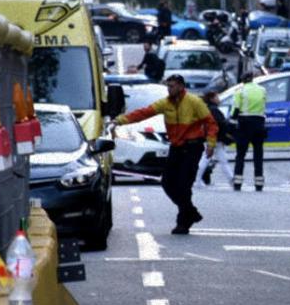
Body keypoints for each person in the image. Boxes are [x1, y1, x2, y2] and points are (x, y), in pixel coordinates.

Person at [114, 74, 218, 234]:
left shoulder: (194, 102)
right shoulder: (165, 103)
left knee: (184, 185)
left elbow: (210, 123)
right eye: (168, 86)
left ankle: (183, 223)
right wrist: (120, 120)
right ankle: (191, 211)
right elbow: (144, 113)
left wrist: (210, 144)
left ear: (181, 87)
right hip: (176, 147)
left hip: (192, 147)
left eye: (173, 86)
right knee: (167, 183)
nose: (169, 89)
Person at [232, 72, 267, 191]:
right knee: (258, 154)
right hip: (259, 123)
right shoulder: (262, 90)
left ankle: (237, 182)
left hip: (244, 123)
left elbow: (235, 110)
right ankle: (259, 182)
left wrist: (232, 122)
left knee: (240, 154)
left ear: (242, 80)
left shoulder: (240, 91)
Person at [195, 91, 234, 189]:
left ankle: (231, 179)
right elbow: (220, 124)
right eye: (217, 97)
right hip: (215, 138)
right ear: (212, 99)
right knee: (207, 159)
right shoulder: (214, 110)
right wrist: (227, 133)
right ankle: (196, 180)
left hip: (211, 138)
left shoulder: (208, 108)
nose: (219, 99)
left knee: (218, 159)